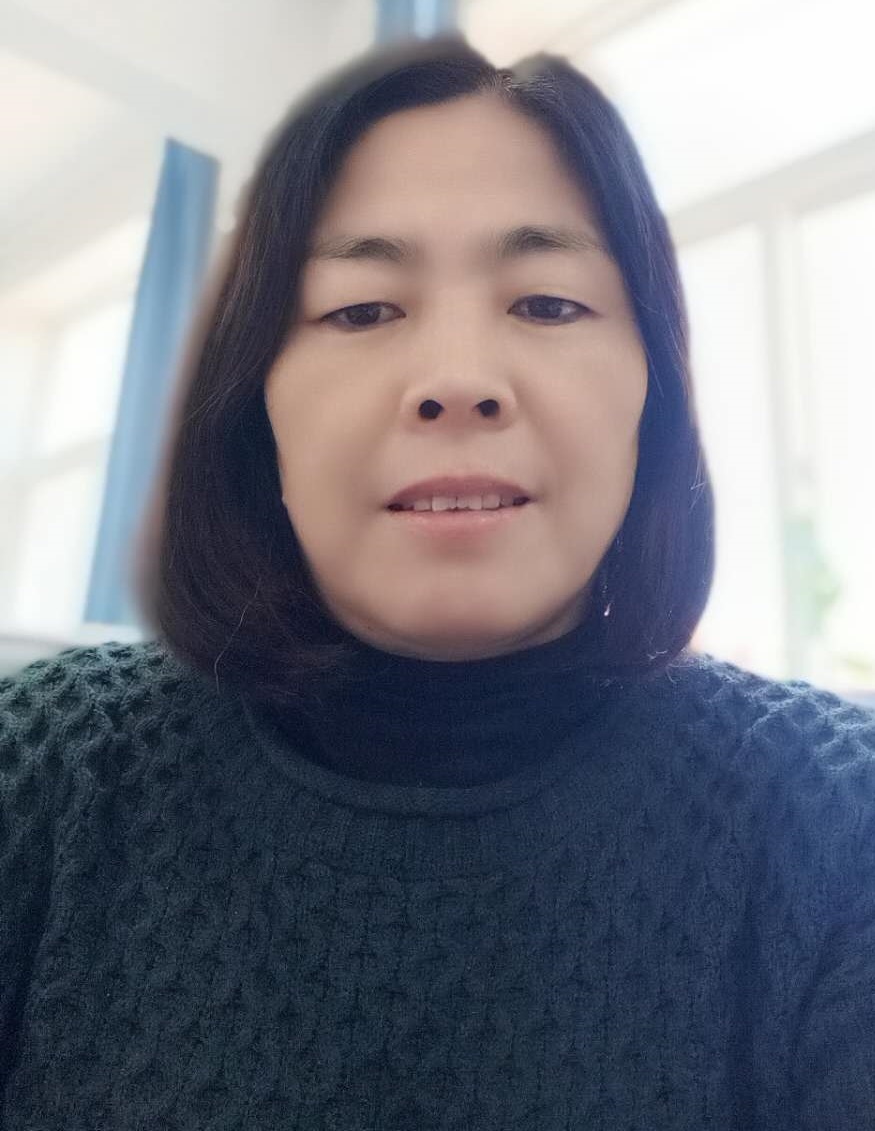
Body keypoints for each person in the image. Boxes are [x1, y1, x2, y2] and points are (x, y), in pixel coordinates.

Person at [1, 32, 873, 1131]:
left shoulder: (836, 817)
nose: (457, 381)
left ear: (650, 394)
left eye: (546, 303)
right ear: (256, 408)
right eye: (361, 309)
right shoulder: (47, 770)